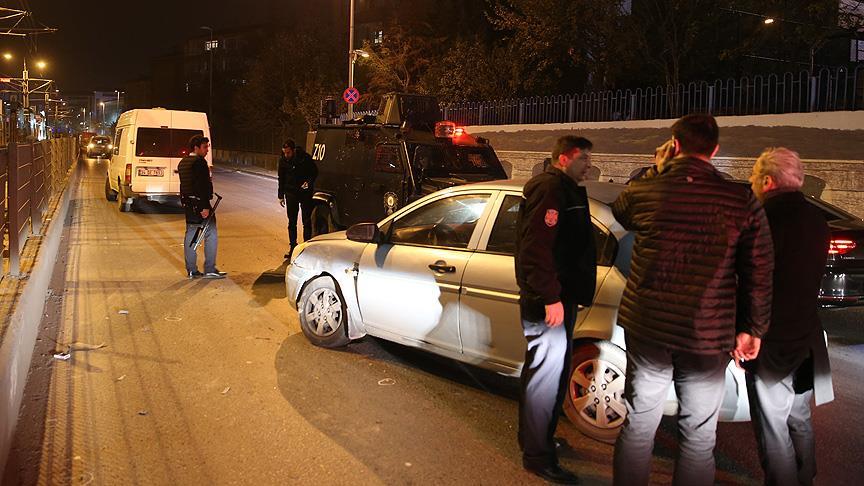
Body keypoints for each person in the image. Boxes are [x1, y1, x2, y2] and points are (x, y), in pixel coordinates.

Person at [611, 114, 774, 486]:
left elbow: (621, 210)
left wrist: (657, 170)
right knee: (699, 435)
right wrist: (752, 328)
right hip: (707, 334)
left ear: (674, 145)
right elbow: (760, 270)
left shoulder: (647, 190)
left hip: (649, 328)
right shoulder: (740, 200)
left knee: (639, 424)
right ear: (714, 151)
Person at [745, 147, 833, 486]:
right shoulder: (816, 219)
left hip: (772, 341)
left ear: (768, 181)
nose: (752, 183)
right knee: (799, 417)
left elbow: (755, 283)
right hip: (807, 337)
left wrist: (746, 331)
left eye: (754, 178)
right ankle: (805, 477)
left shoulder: (762, 220)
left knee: (773, 430)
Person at [515, 135, 596, 484]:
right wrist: (550, 297)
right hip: (548, 302)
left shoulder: (566, 189)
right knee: (545, 381)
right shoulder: (550, 190)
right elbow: (536, 249)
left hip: (560, 298)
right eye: (584, 159)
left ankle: (538, 441)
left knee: (552, 377)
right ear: (564, 158)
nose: (589, 165)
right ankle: (537, 456)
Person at [178, 135, 225, 279]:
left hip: (189, 205)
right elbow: (201, 186)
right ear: (196, 148)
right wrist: (204, 207)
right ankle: (210, 268)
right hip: (201, 205)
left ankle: (192, 270)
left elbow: (184, 186)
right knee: (211, 234)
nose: (207, 150)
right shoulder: (199, 162)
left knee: (191, 234)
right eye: (205, 147)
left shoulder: (183, 162)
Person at [278, 139, 318, 258]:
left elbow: (314, 172)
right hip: (290, 193)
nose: (286, 155)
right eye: (284, 153)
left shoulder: (304, 158)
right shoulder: (283, 160)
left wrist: (308, 182)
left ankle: (307, 248)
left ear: (294, 150)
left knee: (306, 221)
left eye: (288, 152)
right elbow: (281, 178)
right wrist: (280, 195)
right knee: (292, 222)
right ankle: (293, 248)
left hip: (304, 193)